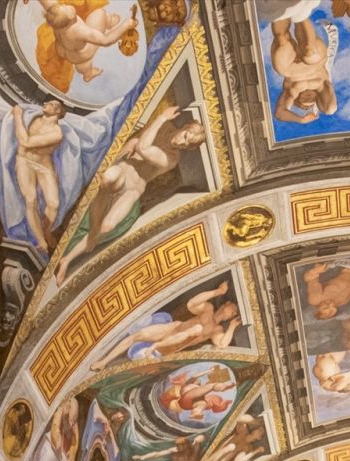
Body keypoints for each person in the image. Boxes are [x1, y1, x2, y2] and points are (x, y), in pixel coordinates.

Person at [55, 106, 205, 282]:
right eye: (185, 136)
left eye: (187, 145)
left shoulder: (172, 158)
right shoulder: (165, 127)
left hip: (135, 187)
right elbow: (137, 140)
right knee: (108, 177)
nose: (182, 143)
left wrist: (162, 117)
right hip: (124, 169)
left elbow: (143, 148)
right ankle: (94, 227)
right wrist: (134, 141)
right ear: (185, 127)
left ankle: (67, 260)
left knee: (108, 226)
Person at [91, 282, 240, 370]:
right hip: (172, 329)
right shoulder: (208, 309)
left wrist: (232, 327)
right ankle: (103, 362)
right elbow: (192, 304)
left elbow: (222, 344)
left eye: (234, 314)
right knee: (137, 336)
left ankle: (155, 346)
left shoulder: (217, 330)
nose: (232, 314)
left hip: (173, 345)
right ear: (226, 303)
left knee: (198, 329)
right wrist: (218, 291)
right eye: (233, 309)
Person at [24, 0, 138, 92]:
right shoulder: (78, 30)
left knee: (80, 61)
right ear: (71, 16)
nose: (64, 5)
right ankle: (109, 21)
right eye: (65, 8)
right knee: (99, 14)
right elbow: (105, 41)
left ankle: (87, 73)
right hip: (82, 55)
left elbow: (47, 2)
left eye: (63, 6)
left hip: (63, 51)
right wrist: (126, 25)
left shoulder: (55, 16)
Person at [12, 101, 68, 251]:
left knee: (54, 204)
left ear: (58, 111)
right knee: (31, 200)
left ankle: (46, 230)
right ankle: (41, 240)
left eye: (50, 103)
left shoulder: (56, 133)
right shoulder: (34, 118)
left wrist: (17, 116)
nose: (45, 103)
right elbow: (23, 145)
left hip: (44, 166)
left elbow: (25, 141)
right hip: (24, 161)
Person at [271, 2, 338, 124]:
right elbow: (330, 109)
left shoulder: (292, 91)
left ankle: (278, 4)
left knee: (281, 39)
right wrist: (322, 110)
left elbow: (280, 113)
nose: (308, 98)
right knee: (309, 51)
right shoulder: (322, 86)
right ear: (317, 99)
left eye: (304, 101)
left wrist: (301, 119)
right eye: (311, 100)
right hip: (314, 63)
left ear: (297, 100)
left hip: (290, 68)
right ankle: (300, 11)